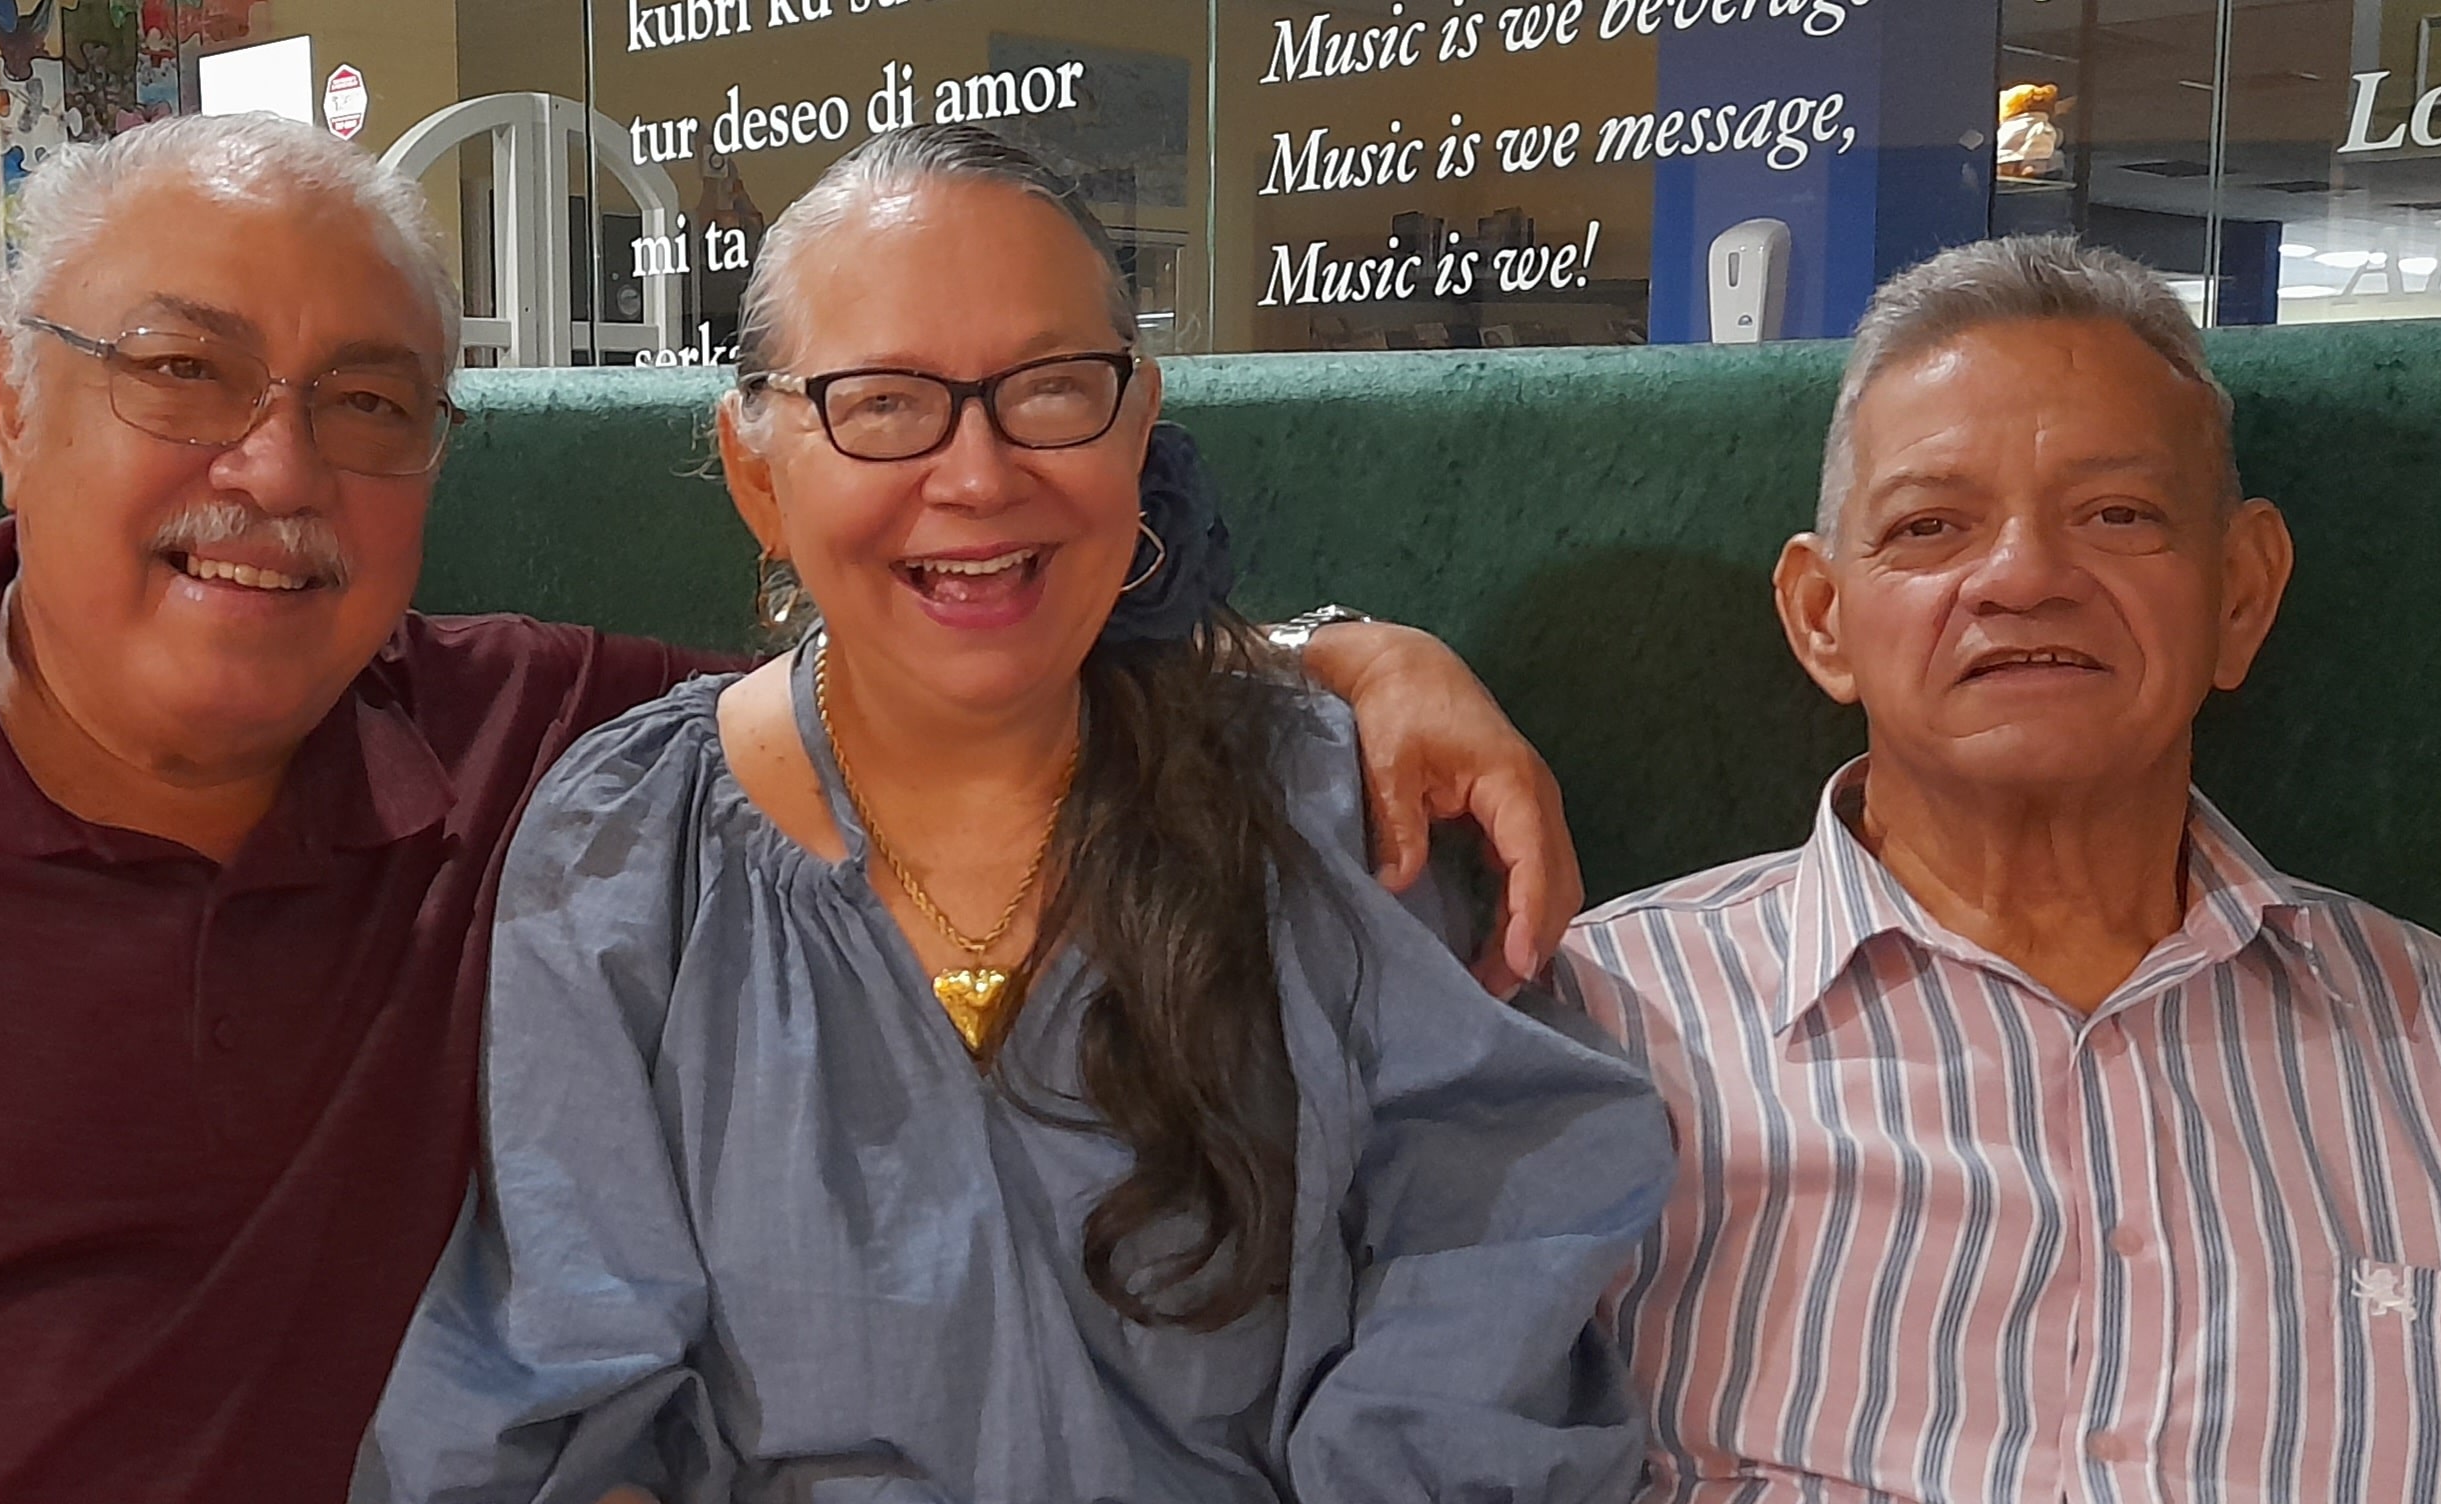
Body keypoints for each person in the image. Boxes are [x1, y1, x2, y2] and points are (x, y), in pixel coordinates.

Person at [0, 113, 1590, 1503]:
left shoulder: (514, 748)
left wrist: (1342, 655)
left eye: (370, 402)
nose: (274, 466)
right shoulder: (628, 835)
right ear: (7, 399)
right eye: (182, 370)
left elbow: (959, 643)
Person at [361, 125, 1675, 1504]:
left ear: (1137, 423)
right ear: (756, 471)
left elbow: (1486, 1241)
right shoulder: (632, 850)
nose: (980, 477)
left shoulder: (1321, 798)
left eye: (1051, 391)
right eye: (882, 404)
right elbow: (577, 1388)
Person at [1561, 236, 2441, 1502]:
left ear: (2239, 594)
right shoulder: (1598, 1030)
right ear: (1822, 618)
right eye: (1929, 526)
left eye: (2117, 515)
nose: (2023, 577)